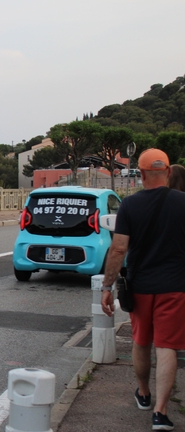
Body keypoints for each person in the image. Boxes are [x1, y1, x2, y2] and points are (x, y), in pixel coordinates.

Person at [101, 148, 185, 431]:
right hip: (175, 287)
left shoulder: (130, 205)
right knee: (167, 346)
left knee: (141, 341)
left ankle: (144, 394)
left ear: (142, 174)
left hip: (140, 287)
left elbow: (119, 249)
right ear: (169, 172)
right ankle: (160, 413)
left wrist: (106, 286)